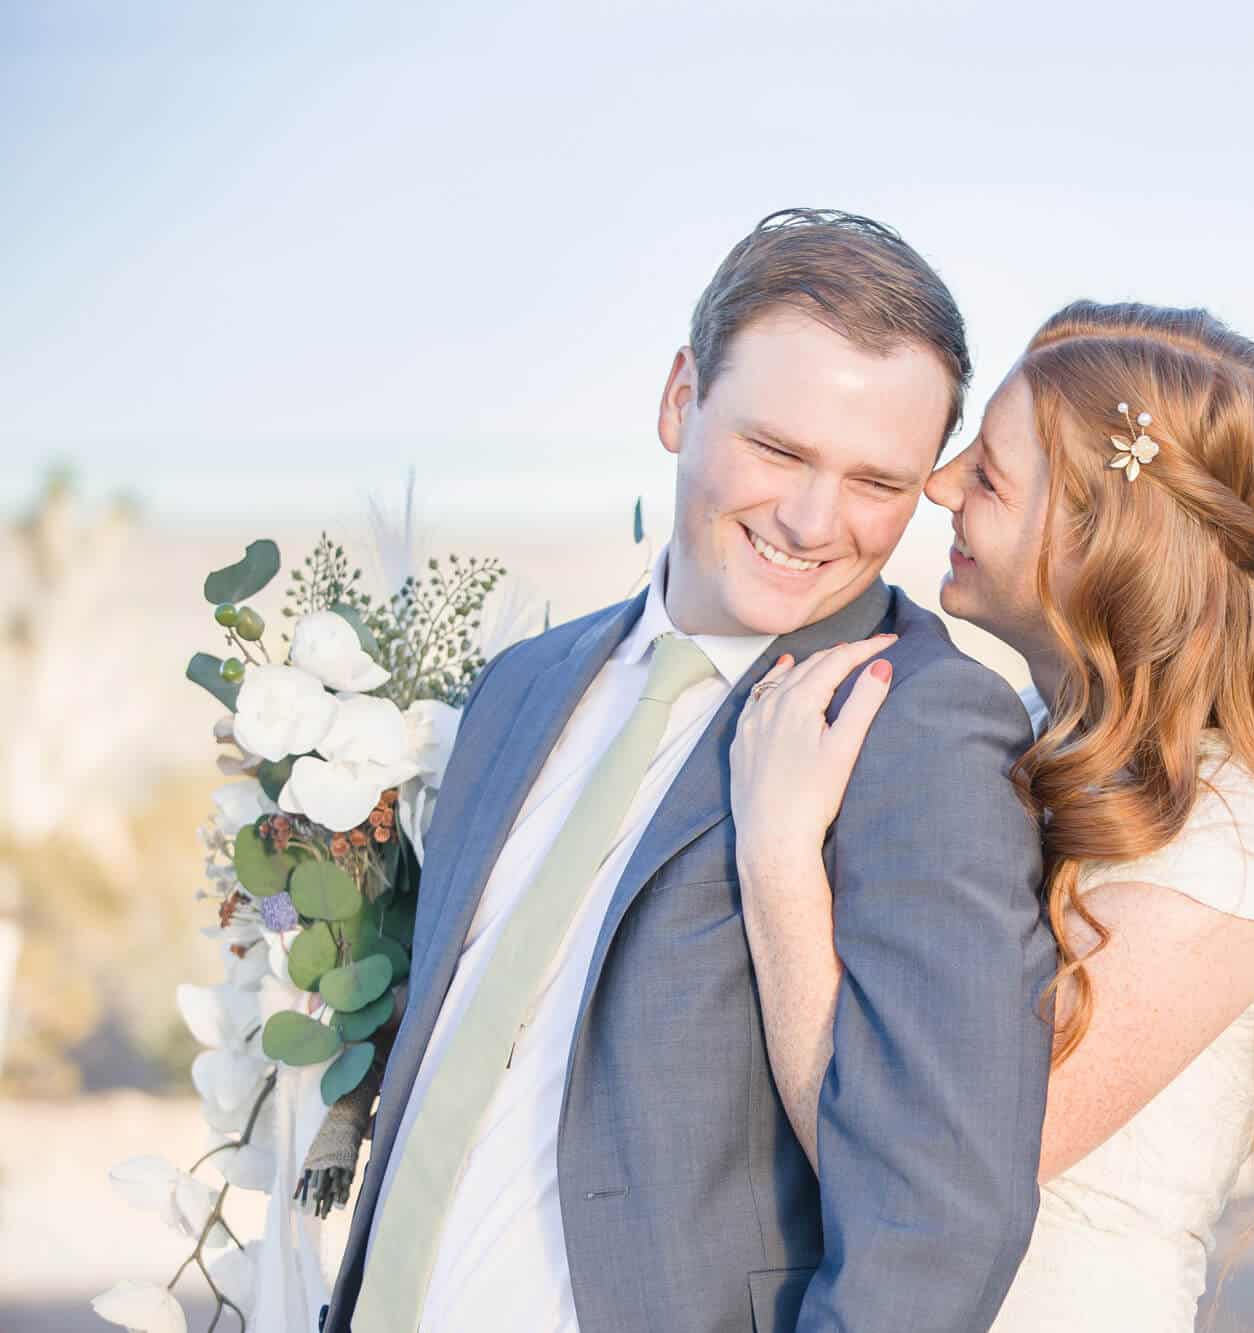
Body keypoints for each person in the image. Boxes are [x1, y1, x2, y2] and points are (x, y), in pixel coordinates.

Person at [321, 210, 1056, 1333]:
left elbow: (937, 1220)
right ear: (679, 399)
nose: (814, 521)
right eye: (777, 450)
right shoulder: (519, 687)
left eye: (877, 482)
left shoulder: (927, 725)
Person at [732, 301, 1254, 1330]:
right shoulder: (1021, 736)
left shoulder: (1230, 851)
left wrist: (777, 857)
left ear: (1104, 546)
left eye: (989, 474)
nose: (938, 485)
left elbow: (917, 1174)